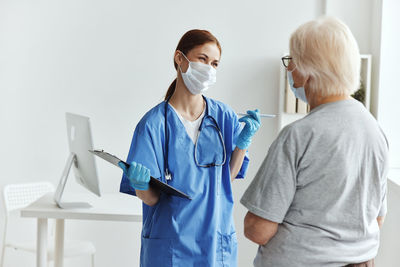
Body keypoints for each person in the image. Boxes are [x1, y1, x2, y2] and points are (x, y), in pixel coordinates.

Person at [240, 17, 388, 267]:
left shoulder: (299, 135)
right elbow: (376, 219)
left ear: (308, 69)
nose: (290, 70)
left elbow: (258, 229)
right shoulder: (374, 130)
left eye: (292, 61)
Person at [119, 29, 261, 266]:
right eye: (202, 59)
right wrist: (141, 184)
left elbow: (227, 179)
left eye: (215, 63)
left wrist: (243, 144)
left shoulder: (223, 116)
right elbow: (151, 199)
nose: (209, 69)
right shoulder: (153, 125)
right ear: (179, 58)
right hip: (171, 248)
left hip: (216, 245)